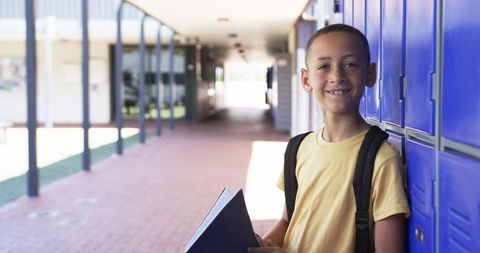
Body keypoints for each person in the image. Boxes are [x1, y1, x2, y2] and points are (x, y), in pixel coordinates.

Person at [248, 24, 410, 253]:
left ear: (370, 74)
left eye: (350, 65)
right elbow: (287, 222)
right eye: (324, 66)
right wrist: (263, 244)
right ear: (306, 79)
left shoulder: (381, 160)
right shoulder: (298, 149)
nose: (337, 76)